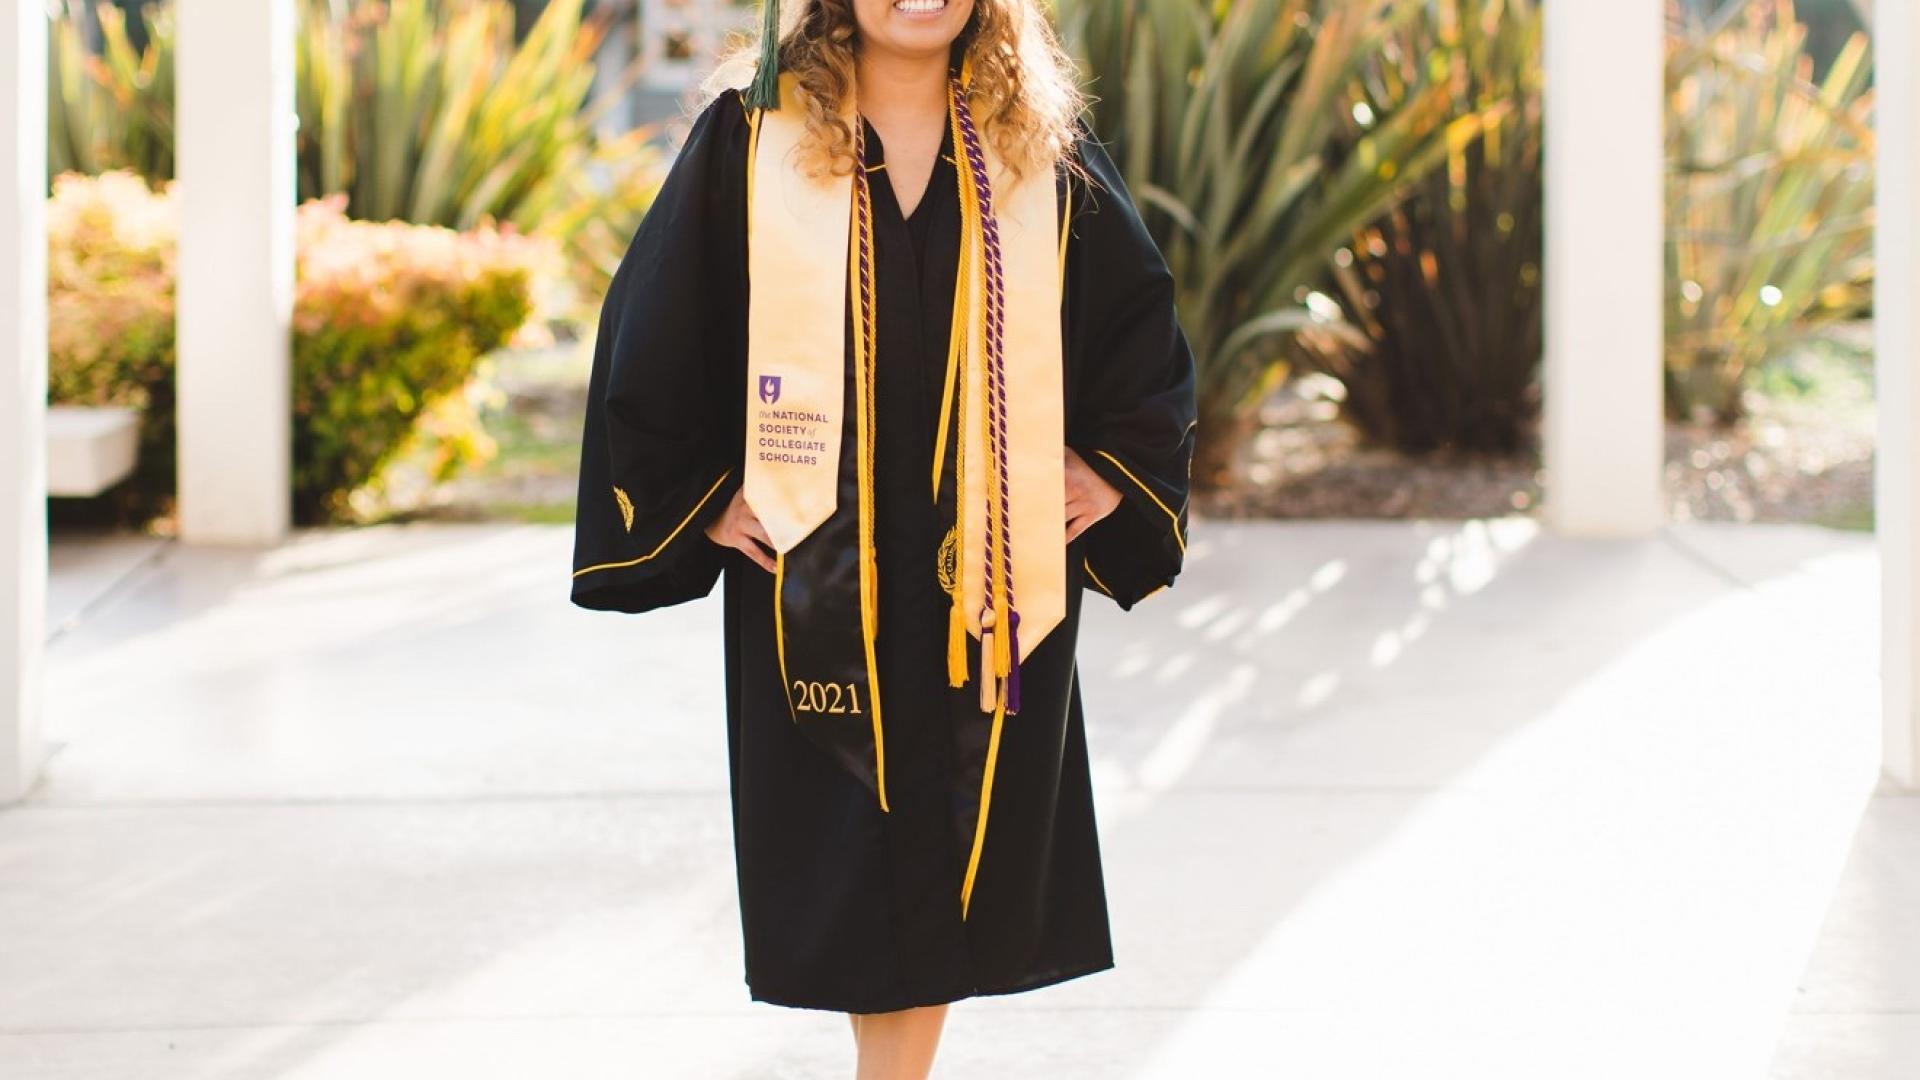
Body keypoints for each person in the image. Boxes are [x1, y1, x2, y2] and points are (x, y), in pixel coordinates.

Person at [569, 0, 1196, 1074]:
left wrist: (1111, 471)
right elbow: (657, 319)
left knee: (949, 839)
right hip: (821, 563)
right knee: (860, 845)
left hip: (987, 563)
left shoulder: (1035, 143)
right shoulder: (753, 132)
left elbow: (1138, 328)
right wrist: (701, 495)